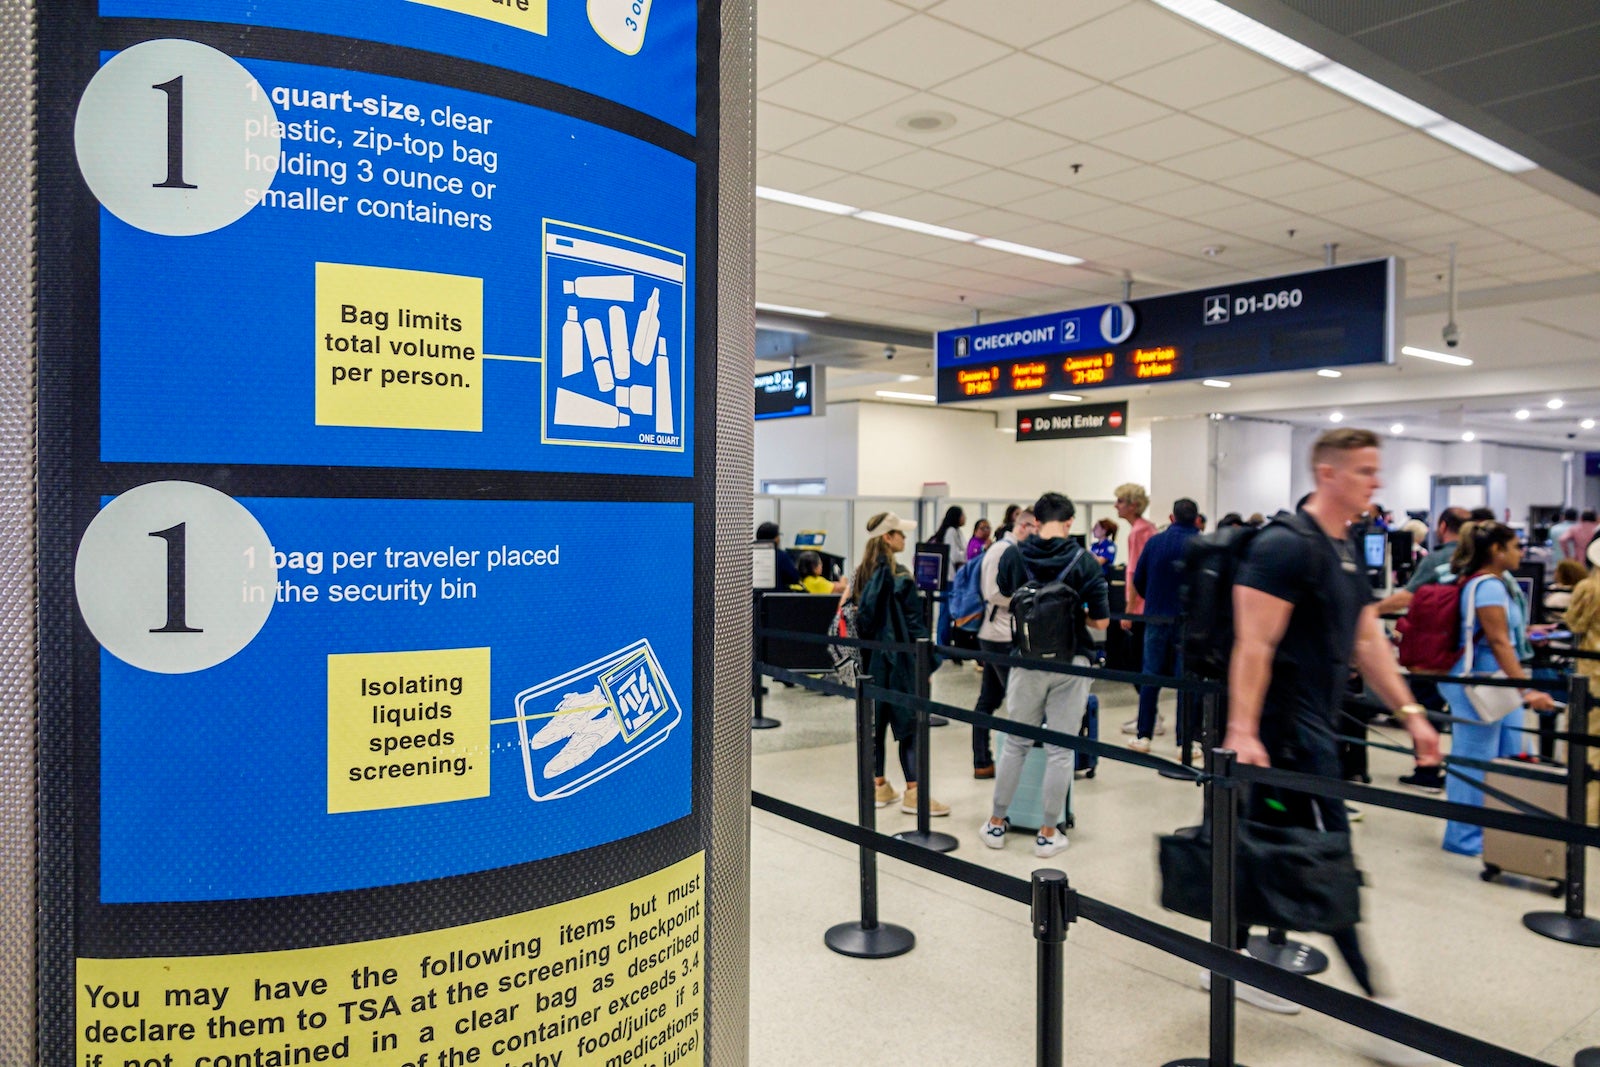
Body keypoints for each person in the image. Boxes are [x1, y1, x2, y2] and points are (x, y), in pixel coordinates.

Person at [1223, 428, 1442, 1063]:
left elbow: (1366, 638)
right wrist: (1242, 729)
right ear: (1329, 473)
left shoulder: (1345, 546)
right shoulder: (1284, 546)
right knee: (1329, 859)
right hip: (1280, 736)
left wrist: (1411, 714)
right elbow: (1253, 644)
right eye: (1366, 471)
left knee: (1269, 848)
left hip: (1316, 729)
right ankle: (1379, 1011)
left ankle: (1232, 961)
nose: (1377, 482)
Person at [979, 492, 1109, 858]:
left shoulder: (1014, 554)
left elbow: (1004, 592)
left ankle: (996, 823)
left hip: (1026, 659)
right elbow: (1101, 621)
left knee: (1016, 743)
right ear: (1069, 523)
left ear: (1035, 521)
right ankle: (1048, 832)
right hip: (1071, 662)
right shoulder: (1084, 561)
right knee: (1060, 749)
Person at [1437, 521, 1557, 856]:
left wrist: (1531, 631)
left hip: (1495, 680)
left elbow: (1505, 635)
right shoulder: (1489, 587)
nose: (1522, 552)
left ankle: (1498, 832)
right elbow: (1499, 641)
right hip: (1480, 683)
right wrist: (1525, 690)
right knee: (1474, 761)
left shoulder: (1498, 585)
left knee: (1511, 751)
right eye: (1516, 546)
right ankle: (1463, 838)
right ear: (1496, 550)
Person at [849, 511, 948, 817]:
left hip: (870, 664)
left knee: (876, 726)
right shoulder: (902, 576)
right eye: (900, 534)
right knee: (910, 728)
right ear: (888, 538)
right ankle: (914, 793)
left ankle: (879, 786)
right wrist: (926, 665)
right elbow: (916, 627)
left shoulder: (860, 574)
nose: (905, 539)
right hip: (902, 663)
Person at [1375, 507, 1469, 793]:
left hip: (1435, 651)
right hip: (1467, 651)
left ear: (1442, 526)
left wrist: (1369, 611)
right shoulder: (1476, 561)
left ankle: (1426, 771)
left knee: (1424, 706)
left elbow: (1407, 595)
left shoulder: (1438, 559)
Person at [1128, 498, 1202, 753]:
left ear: (1171, 518)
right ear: (1196, 519)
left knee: (1150, 675)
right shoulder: (1202, 546)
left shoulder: (1155, 542)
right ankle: (1186, 742)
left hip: (1156, 618)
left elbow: (1139, 579)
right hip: (1189, 623)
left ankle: (1144, 735)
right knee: (1186, 682)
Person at [971, 509, 1039, 779]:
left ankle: (983, 760)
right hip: (998, 634)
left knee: (990, 698)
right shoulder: (1002, 550)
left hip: (1002, 633)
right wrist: (1028, 601)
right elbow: (992, 592)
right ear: (1023, 526)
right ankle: (1009, 764)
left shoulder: (1011, 549)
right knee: (1017, 699)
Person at [1115, 483, 1156, 734]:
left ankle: (1149, 715)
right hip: (1145, 606)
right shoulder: (1145, 530)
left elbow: (1136, 574)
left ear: (1132, 505)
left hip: (1140, 608)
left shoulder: (1140, 533)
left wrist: (1129, 610)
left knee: (1138, 663)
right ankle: (1148, 713)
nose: (1116, 505)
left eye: (1120, 501)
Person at [1562, 565, 1600, 824]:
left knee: (1586, 742)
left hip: (1592, 673)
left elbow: (1575, 622)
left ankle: (1585, 813)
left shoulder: (1589, 587)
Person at [756, 521, 800, 591]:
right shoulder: (781, 556)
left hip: (753, 598)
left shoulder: (749, 555)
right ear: (775, 538)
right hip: (775, 598)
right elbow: (794, 577)